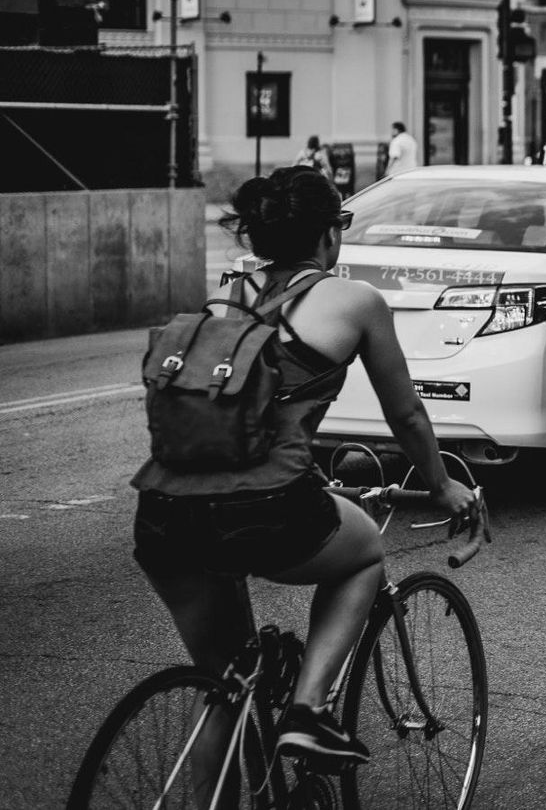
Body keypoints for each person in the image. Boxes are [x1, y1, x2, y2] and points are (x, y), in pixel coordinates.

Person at [131, 166, 478, 773]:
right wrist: (443, 484)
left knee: (224, 687)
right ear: (327, 235)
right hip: (265, 508)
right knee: (366, 548)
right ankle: (308, 713)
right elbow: (408, 416)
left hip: (164, 510)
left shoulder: (223, 299)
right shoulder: (355, 301)